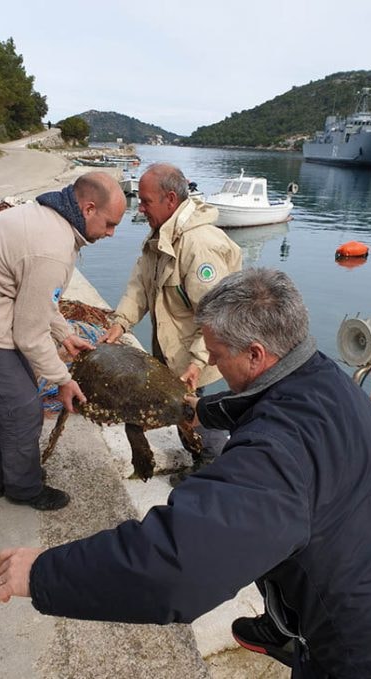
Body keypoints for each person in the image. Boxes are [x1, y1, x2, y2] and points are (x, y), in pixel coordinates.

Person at [0, 268, 371, 678]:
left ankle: (295, 635)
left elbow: (176, 564)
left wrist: (43, 574)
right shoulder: (325, 381)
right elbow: (261, 405)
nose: (208, 360)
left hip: (360, 651)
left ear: (255, 353)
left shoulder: (275, 458)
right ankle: (282, 624)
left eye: (217, 354)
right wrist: (201, 411)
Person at [0, 171, 125, 510]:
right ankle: (23, 489)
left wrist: (65, 335)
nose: (112, 233)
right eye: (109, 224)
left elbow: (41, 301)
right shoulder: (52, 248)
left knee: (17, 398)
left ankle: (0, 480)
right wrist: (63, 380)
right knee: (22, 406)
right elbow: (29, 335)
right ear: (89, 208)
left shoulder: (52, 220)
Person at [100, 162, 241, 484]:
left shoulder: (199, 245)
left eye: (146, 201)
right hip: (172, 350)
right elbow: (139, 286)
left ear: (170, 200)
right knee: (183, 412)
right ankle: (200, 464)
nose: (142, 207)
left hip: (201, 351)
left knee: (199, 413)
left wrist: (197, 361)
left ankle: (213, 475)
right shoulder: (160, 237)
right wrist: (120, 323)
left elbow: (217, 314)